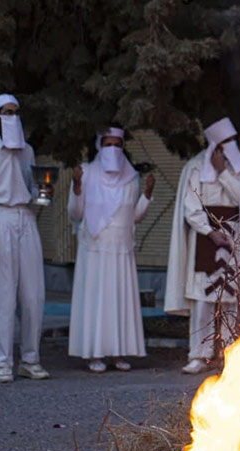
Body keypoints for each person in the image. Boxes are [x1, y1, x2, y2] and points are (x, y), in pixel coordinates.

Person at [164, 117, 240, 374]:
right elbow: (191, 206)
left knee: (231, 298)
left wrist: (223, 171)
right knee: (203, 299)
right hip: (205, 237)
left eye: (232, 141)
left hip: (236, 234)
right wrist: (209, 231)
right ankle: (199, 355)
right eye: (224, 142)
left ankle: (230, 352)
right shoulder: (194, 167)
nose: (229, 146)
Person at [0, 94, 51, 383]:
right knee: (3, 296)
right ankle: (4, 363)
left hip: (25, 218)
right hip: (0, 219)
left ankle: (30, 359)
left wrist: (43, 194)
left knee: (33, 294)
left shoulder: (27, 151)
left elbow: (35, 188)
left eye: (15, 112)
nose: (12, 116)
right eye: (6, 112)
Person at [68, 127, 154, 372]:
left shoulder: (131, 177)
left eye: (118, 144)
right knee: (97, 299)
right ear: (99, 146)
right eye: (108, 144)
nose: (113, 149)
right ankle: (95, 353)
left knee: (119, 299)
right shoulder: (86, 173)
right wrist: (76, 188)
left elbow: (134, 216)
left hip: (121, 247)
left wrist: (147, 196)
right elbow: (76, 213)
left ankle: (118, 353)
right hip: (94, 246)